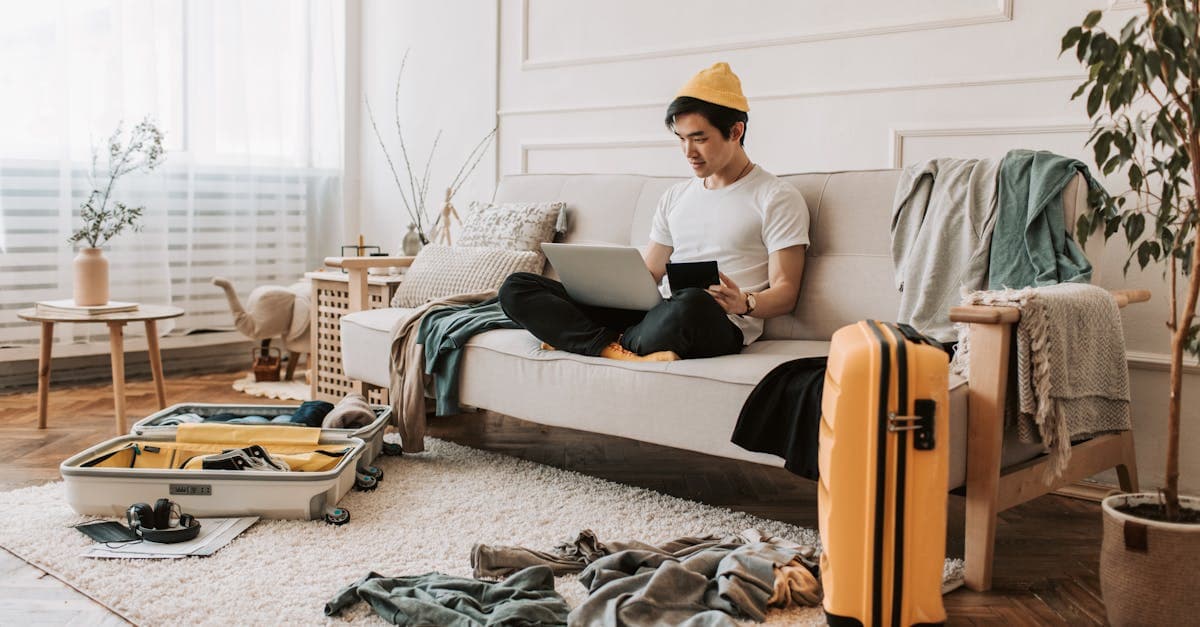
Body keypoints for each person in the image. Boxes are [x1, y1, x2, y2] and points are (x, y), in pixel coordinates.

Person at [499, 62, 810, 362]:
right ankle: (613, 347)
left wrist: (745, 302)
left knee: (692, 302)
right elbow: (650, 274)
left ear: (735, 131)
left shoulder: (776, 197)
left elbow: (786, 291)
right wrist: (601, 286)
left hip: (715, 321)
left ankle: (586, 339)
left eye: (699, 139)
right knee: (517, 287)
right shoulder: (675, 196)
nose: (689, 152)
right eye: (682, 139)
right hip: (655, 314)